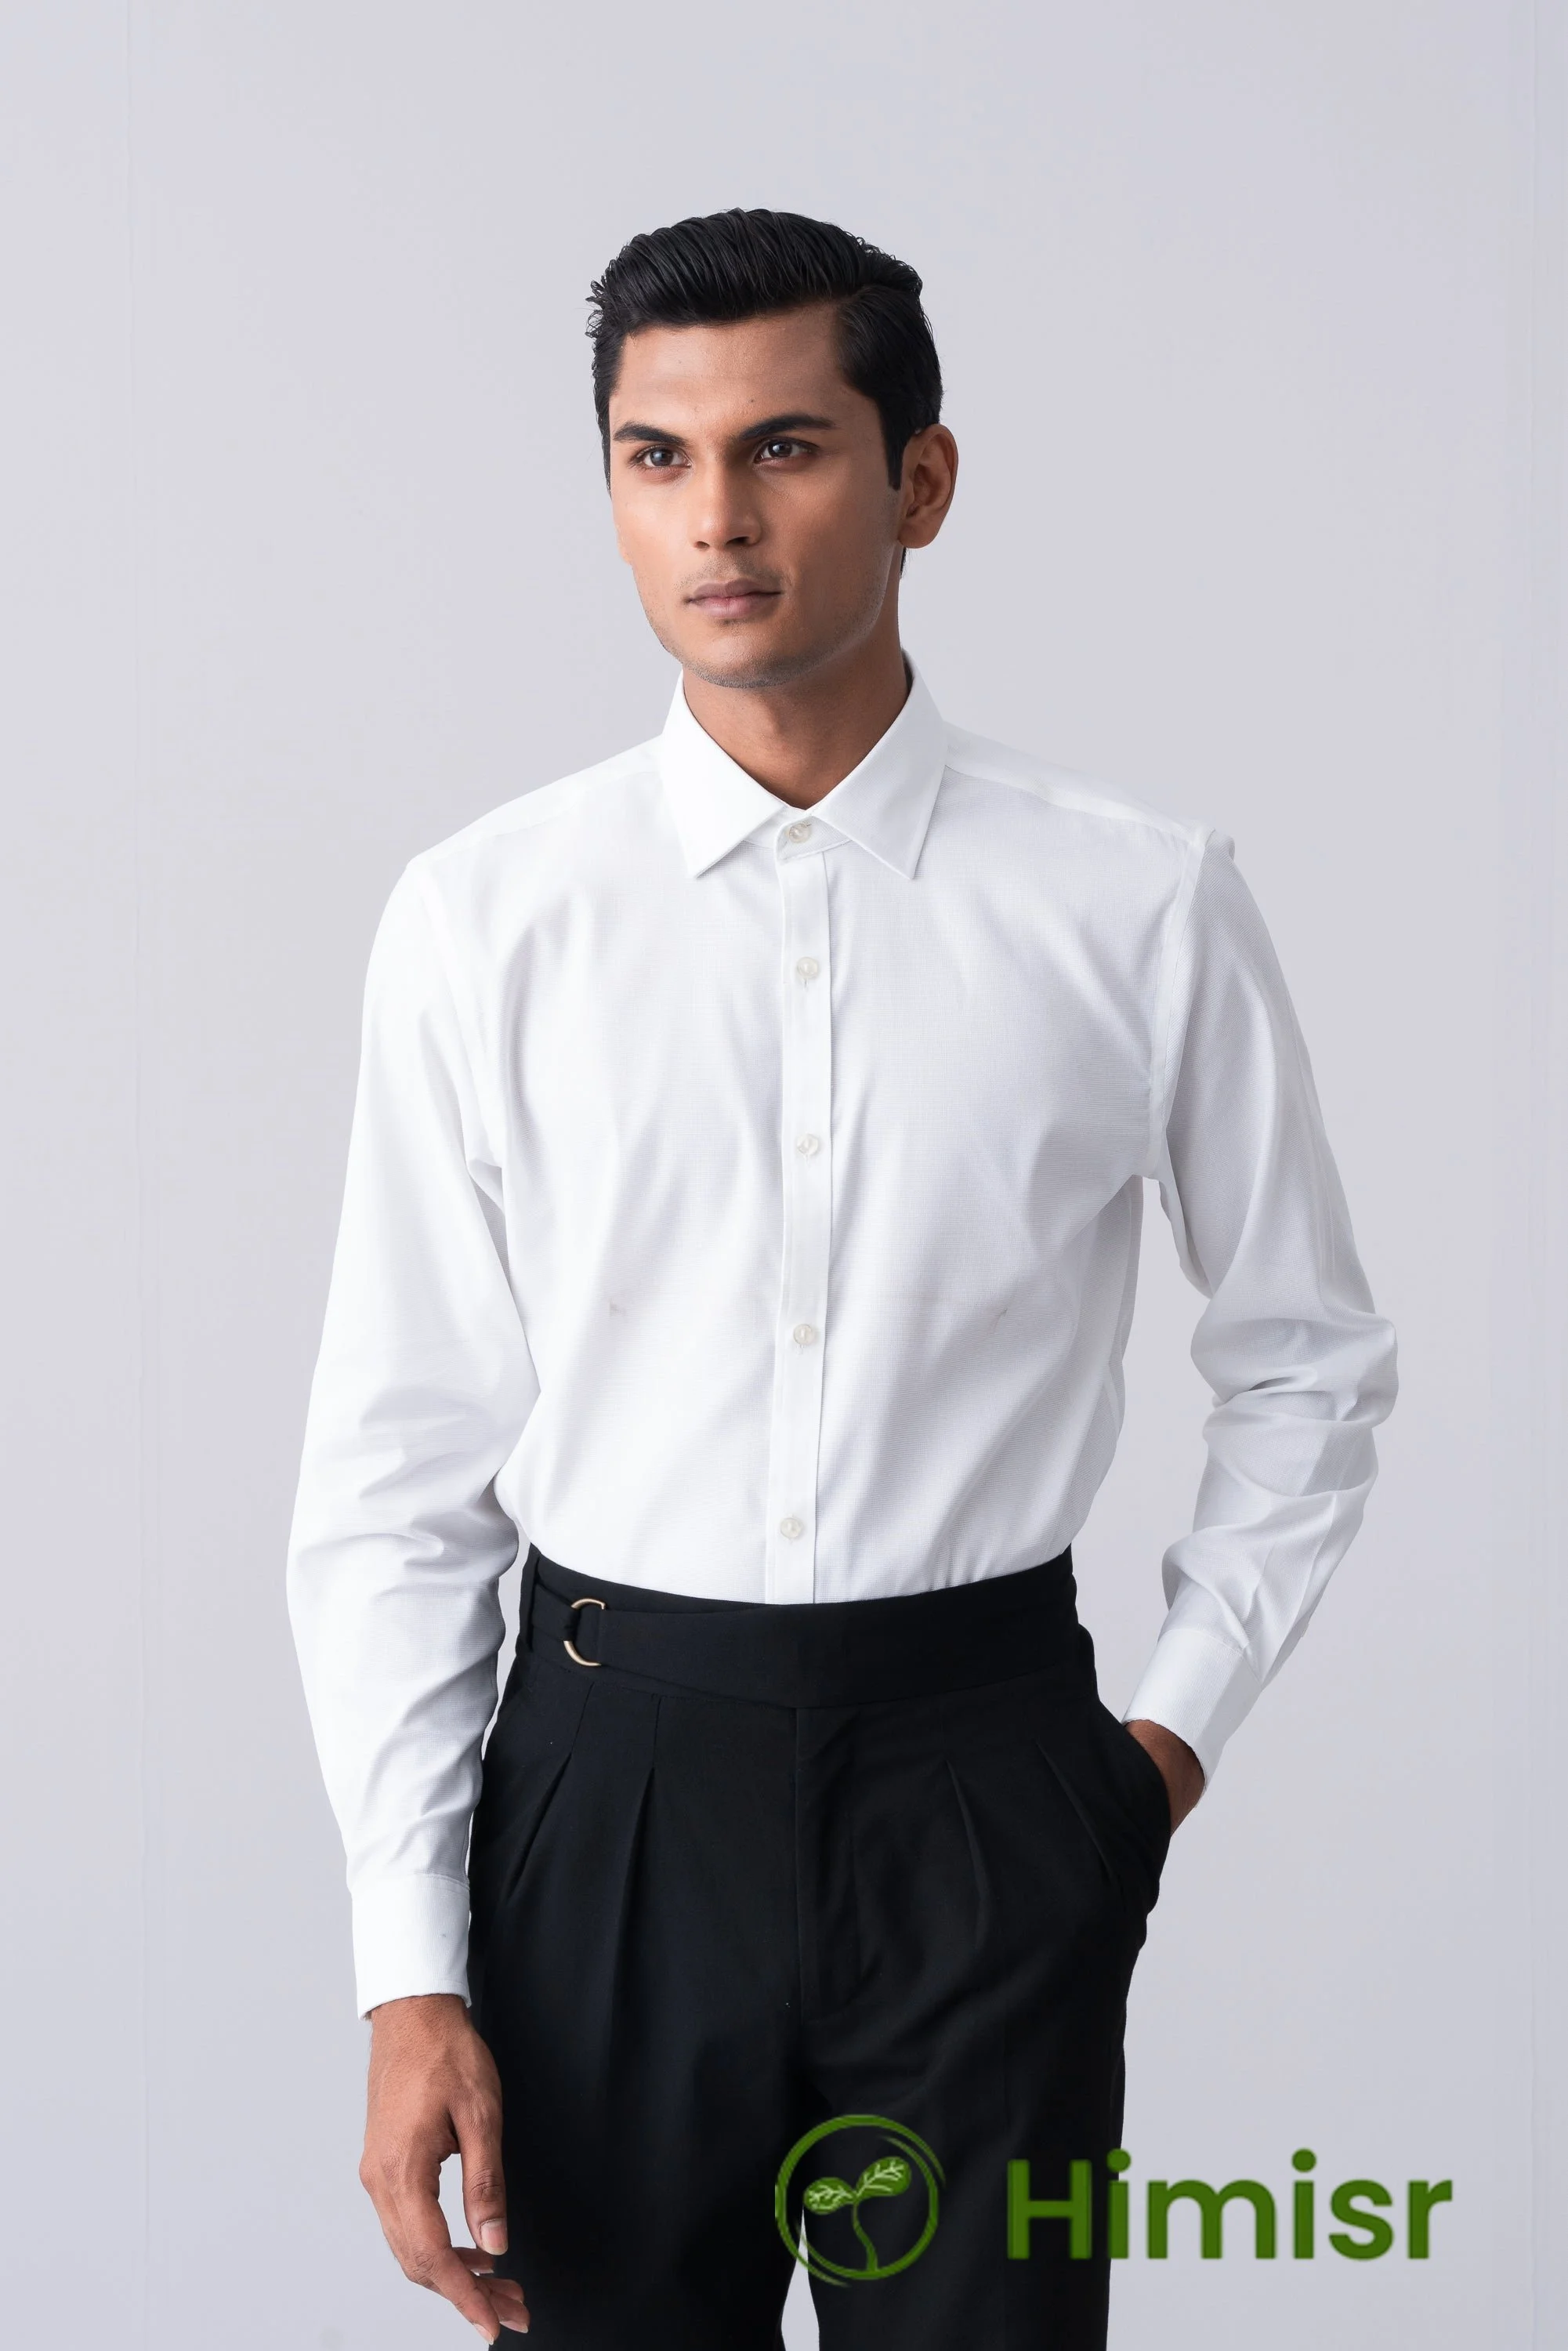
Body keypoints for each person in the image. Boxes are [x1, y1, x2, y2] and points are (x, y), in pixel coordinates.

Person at [287, 207, 1397, 2350]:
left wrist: (1156, 1753)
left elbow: (1310, 1365)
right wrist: (407, 1973)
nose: (715, 518)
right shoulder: (486, 920)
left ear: (923, 481)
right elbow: (397, 1475)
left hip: (988, 1792)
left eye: (784, 448)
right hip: (604, 1802)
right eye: (656, 457)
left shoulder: (1138, 905)